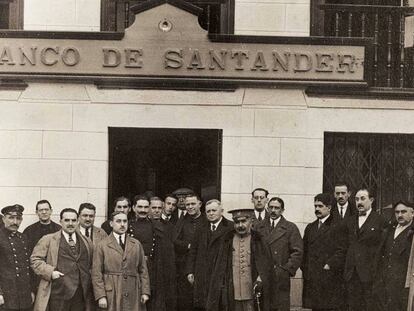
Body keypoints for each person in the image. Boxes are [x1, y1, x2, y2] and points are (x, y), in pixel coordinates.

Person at [205, 207, 273, 311]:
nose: (240, 225)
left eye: (243, 221)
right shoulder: (226, 240)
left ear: (251, 221)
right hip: (232, 292)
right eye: (237, 222)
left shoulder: (259, 240)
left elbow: (267, 265)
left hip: (252, 291)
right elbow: (219, 268)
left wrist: (260, 279)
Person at [31, 208, 94, 311]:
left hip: (81, 294)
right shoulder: (49, 239)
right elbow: (35, 260)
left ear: (78, 221)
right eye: (67, 220)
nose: (70, 223)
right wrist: (50, 272)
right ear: (60, 221)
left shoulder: (86, 241)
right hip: (58, 294)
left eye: (73, 220)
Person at [92, 211, 150, 311]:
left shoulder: (136, 244)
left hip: (133, 290)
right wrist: (101, 296)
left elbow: (143, 270)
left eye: (125, 221)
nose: (122, 224)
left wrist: (145, 292)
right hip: (112, 291)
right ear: (111, 223)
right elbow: (96, 273)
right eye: (118, 221)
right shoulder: (102, 245)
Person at [128, 195, 176, 311]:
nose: (143, 210)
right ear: (134, 208)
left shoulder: (157, 226)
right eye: (140, 207)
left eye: (145, 207)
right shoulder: (127, 225)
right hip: (132, 268)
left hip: (153, 270)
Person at [255, 197, 303, 311]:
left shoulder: (290, 228)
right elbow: (254, 250)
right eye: (270, 207)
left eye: (276, 208)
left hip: (280, 277)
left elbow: (298, 252)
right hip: (262, 276)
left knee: (279, 306)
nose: (273, 210)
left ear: (282, 210)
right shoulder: (258, 227)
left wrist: (285, 270)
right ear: (267, 208)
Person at [185, 199, 234, 311]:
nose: (211, 213)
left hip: (221, 273)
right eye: (208, 211)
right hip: (202, 273)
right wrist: (190, 271)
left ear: (221, 211)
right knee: (202, 304)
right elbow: (193, 251)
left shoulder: (230, 227)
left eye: (214, 210)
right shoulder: (201, 227)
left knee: (219, 304)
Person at [343, 188, 386, 311]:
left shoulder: (380, 220)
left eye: (363, 198)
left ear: (371, 200)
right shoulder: (350, 221)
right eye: (356, 199)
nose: (359, 202)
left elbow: (382, 248)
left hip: (370, 274)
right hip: (352, 273)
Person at [302, 193, 346, 311]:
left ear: (329, 208)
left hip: (330, 277)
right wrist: (305, 269)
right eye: (315, 206)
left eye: (320, 206)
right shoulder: (310, 227)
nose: (317, 209)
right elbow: (304, 251)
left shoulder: (338, 225)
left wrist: (329, 265)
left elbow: (341, 250)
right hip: (312, 277)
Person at [374, 201, 414, 311]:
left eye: (403, 212)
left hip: (402, 284)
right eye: (397, 212)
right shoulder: (389, 230)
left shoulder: (412, 232)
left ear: (412, 213)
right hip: (384, 282)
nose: (400, 215)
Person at [174, 194, 208, 311]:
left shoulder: (206, 219)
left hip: (202, 264)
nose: (190, 207)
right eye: (187, 204)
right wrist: (188, 245)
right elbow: (174, 240)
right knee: (185, 299)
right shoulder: (182, 221)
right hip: (183, 264)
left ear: (200, 204)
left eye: (193, 204)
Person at [0, 204, 34, 311]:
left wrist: (31, 291)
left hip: (24, 296)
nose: (15, 222)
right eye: (11, 217)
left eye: (18, 218)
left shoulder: (23, 238)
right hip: (5, 296)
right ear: (3, 218)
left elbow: (28, 267)